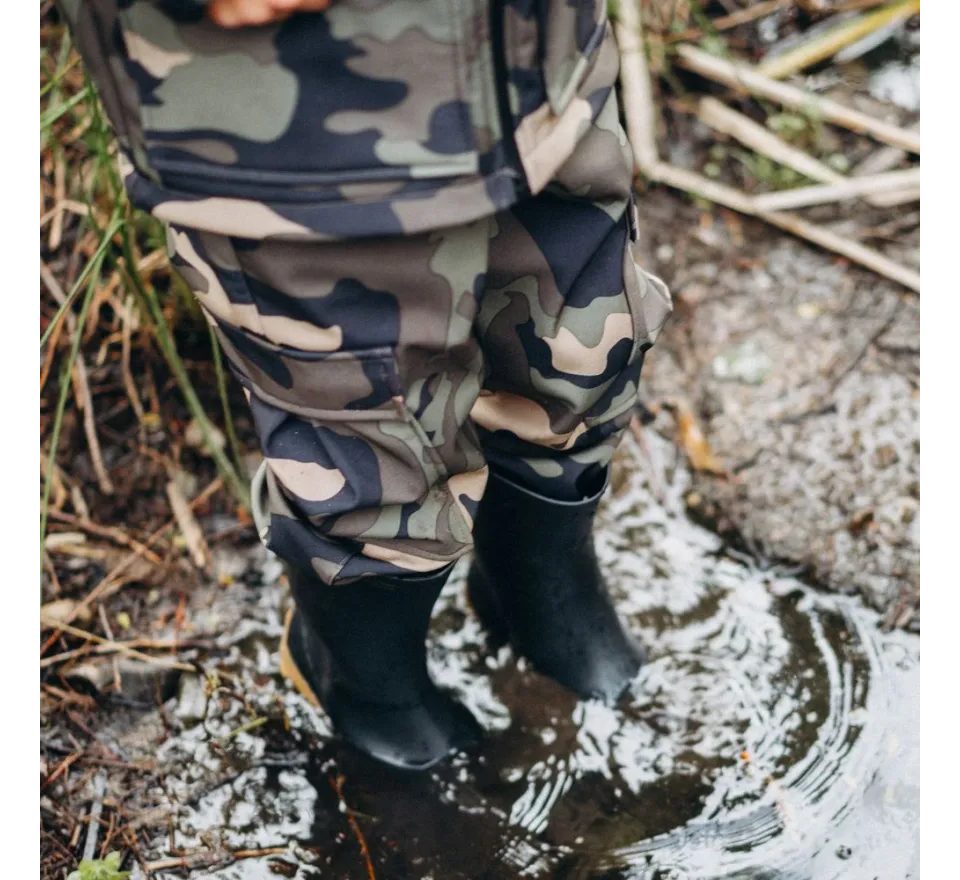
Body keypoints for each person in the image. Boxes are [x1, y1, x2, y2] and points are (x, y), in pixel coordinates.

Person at [59, 0, 672, 770]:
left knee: (581, 344)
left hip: (537, 54)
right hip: (285, 114)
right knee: (369, 438)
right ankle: (367, 686)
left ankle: (539, 601)